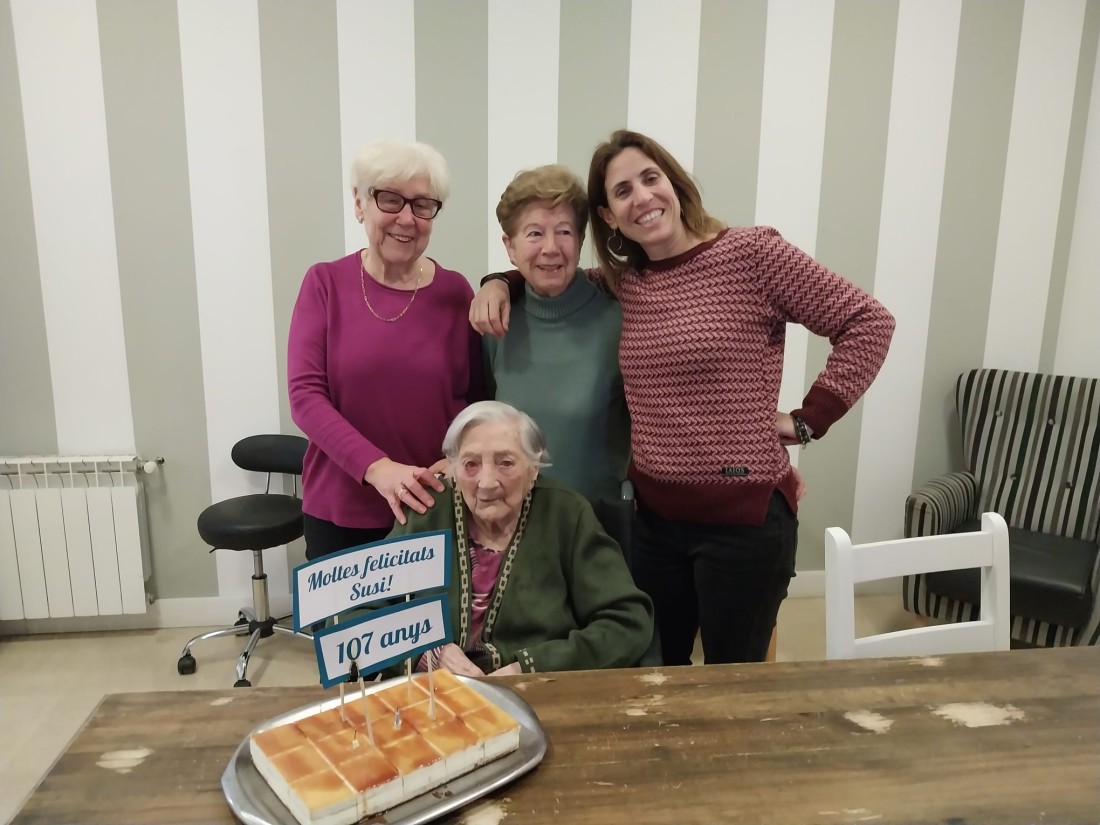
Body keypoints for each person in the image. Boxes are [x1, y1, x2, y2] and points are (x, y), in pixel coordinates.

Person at [470, 129, 895, 665]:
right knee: (656, 673)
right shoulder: (626, 282)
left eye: (651, 178)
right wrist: (497, 282)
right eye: (623, 191)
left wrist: (810, 419)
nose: (642, 197)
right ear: (609, 216)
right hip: (654, 525)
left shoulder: (752, 254)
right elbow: (551, 274)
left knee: (728, 683)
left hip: (742, 524)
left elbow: (868, 321)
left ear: (674, 183)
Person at [289, 139, 483, 561]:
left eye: (422, 204)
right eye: (390, 199)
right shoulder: (324, 283)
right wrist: (379, 469)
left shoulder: (456, 292)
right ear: (360, 203)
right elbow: (305, 398)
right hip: (341, 512)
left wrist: (459, 457)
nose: (407, 219)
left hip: (433, 507)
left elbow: (478, 400)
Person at [387, 400, 654, 676]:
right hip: (434, 692)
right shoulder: (427, 512)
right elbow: (364, 611)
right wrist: (429, 653)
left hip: (540, 691)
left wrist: (530, 667)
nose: (487, 482)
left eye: (506, 463)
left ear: (533, 468)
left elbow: (627, 621)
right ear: (453, 468)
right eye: (470, 464)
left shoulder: (566, 514)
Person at [486, 164, 629, 502]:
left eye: (564, 232)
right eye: (534, 234)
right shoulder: (495, 323)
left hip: (596, 524)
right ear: (510, 246)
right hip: (510, 520)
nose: (550, 248)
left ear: (580, 241)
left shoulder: (619, 323)